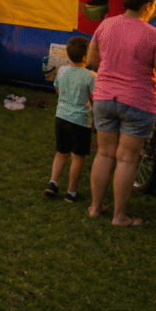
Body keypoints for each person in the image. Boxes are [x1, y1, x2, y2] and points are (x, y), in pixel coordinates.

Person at [87, 0, 156, 227]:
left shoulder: (105, 25)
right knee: (126, 159)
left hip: (104, 97)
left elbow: (92, 59)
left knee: (104, 153)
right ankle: (119, 216)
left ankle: (95, 207)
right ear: (147, 6)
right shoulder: (155, 35)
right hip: (138, 102)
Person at [43, 36, 96, 202]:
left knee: (61, 153)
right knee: (77, 157)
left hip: (61, 117)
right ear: (85, 57)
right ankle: (71, 193)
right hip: (80, 121)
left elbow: (58, 89)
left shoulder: (62, 71)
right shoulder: (91, 76)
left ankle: (53, 183)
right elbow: (95, 97)